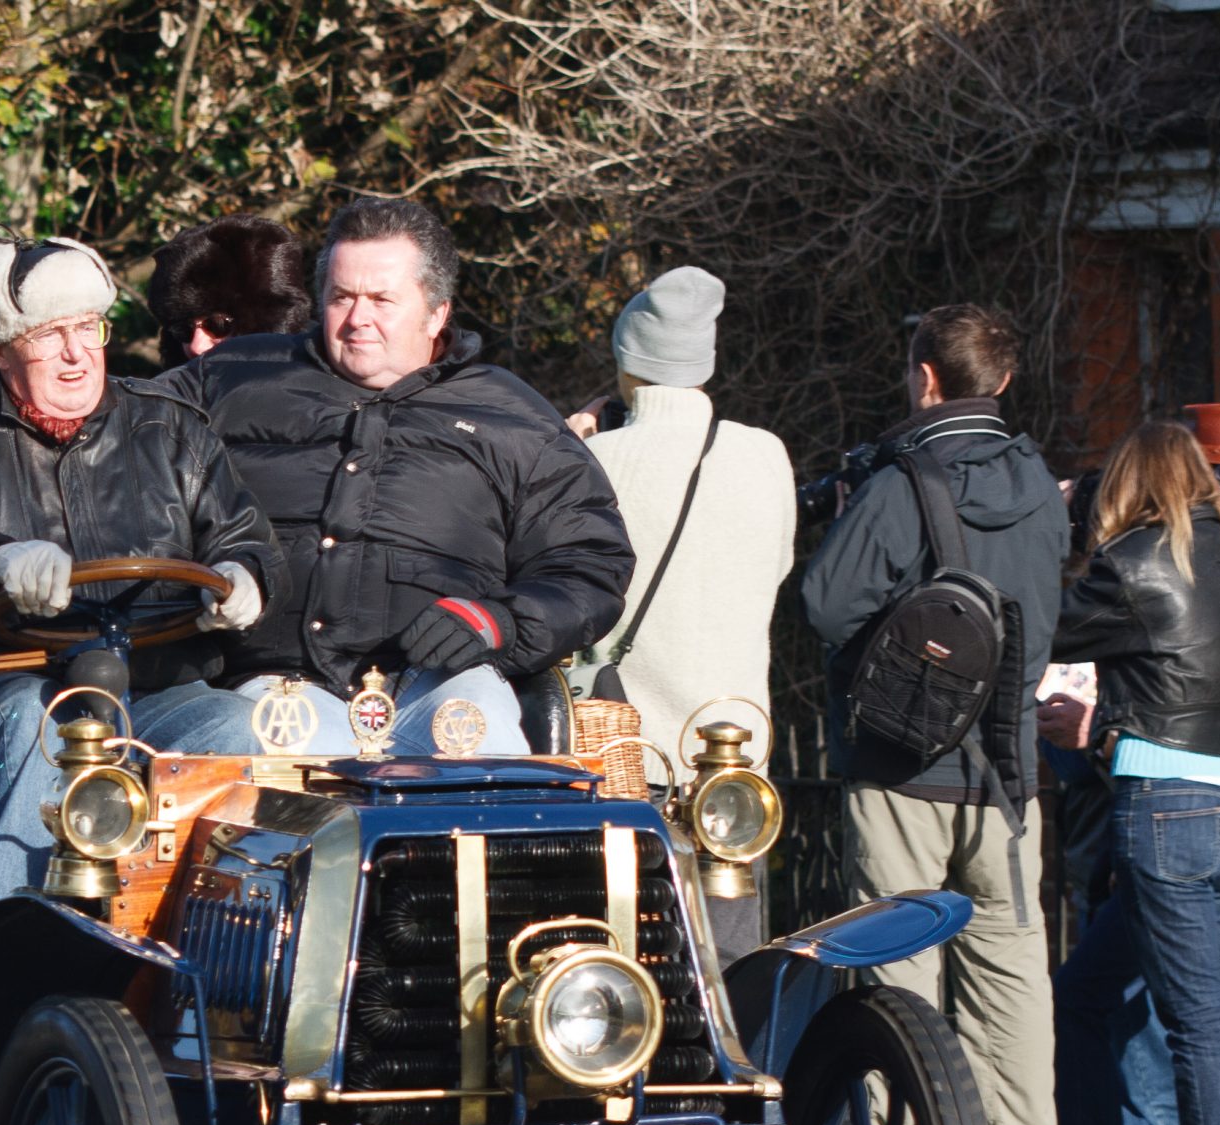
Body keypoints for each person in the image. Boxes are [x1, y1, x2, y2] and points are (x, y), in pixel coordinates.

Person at [0, 233, 279, 909]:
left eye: (88, 327)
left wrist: (245, 576)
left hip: (158, 683)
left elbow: (245, 535)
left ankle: (210, 937)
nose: (75, 352)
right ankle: (9, 941)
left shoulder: (174, 427)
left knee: (235, 727)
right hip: (21, 678)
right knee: (47, 731)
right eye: (49, 334)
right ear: (1, 350)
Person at [148, 197, 635, 753]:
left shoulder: (514, 417)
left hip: (445, 684)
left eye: (382, 299)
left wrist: (497, 621)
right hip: (274, 691)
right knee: (288, 774)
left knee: (487, 764)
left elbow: (590, 563)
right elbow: (105, 436)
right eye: (341, 298)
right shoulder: (229, 380)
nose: (358, 319)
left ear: (436, 312)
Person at [801, 303, 1069, 1125]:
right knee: (1009, 956)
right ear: (1002, 381)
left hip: (903, 760)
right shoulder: (1039, 483)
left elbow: (828, 606)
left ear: (924, 378)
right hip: (1009, 766)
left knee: (896, 953)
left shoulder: (900, 481)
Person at [1051, 421, 1220, 1125]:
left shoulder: (1132, 563)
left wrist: (1058, 530)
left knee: (1199, 1018)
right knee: (1103, 993)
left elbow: (1043, 628)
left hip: (1167, 804)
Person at [570, 265, 794, 954]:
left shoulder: (596, 460)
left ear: (626, 364)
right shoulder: (766, 456)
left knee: (625, 966)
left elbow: (567, 601)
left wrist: (567, 448)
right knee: (725, 976)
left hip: (625, 763)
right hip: (732, 774)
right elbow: (776, 569)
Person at [146, 215, 311, 368]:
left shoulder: (317, 394)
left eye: (218, 325)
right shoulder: (169, 393)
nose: (197, 346)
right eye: (183, 330)